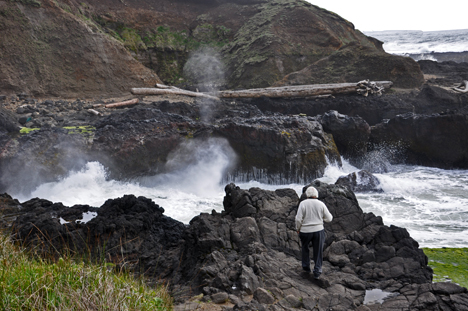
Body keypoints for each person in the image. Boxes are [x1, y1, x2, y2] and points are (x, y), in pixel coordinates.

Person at [295, 186, 333, 279]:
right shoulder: (321, 204)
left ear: (307, 195)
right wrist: (320, 218)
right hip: (318, 230)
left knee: (305, 248)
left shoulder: (303, 203)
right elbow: (329, 218)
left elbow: (298, 219)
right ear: (316, 195)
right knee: (318, 250)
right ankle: (317, 272)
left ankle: (306, 268)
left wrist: (298, 228)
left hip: (305, 231)